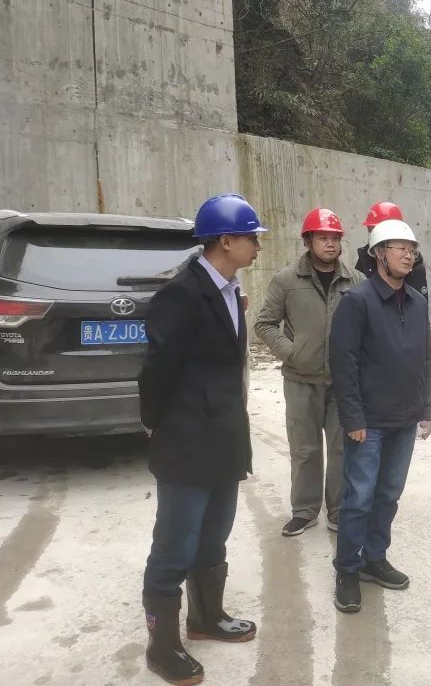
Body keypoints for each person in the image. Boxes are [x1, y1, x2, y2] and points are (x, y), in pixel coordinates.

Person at [139, 193, 265, 686]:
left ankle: (206, 618)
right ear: (225, 241)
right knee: (175, 544)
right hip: (187, 441)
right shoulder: (183, 294)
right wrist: (154, 422)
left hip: (224, 436)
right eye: (251, 237)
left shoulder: (230, 290)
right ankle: (162, 647)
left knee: (214, 536)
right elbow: (157, 368)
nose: (257, 245)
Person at [329, 218, 431, 613]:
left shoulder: (418, 301)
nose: (408, 255)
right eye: (399, 248)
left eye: (412, 249)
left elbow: (425, 357)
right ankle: (347, 569)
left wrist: (425, 406)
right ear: (378, 254)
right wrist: (353, 418)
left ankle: (374, 559)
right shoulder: (357, 302)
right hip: (368, 422)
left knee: (389, 494)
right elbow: (344, 364)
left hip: (404, 419)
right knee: (359, 498)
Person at [255, 208, 365, 538]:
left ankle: (339, 510)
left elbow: (369, 328)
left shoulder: (356, 281)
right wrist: (291, 352)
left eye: (335, 238)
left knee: (342, 449)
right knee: (305, 450)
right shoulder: (287, 280)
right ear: (308, 241)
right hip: (300, 380)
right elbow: (264, 323)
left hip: (343, 383)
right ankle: (304, 511)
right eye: (322, 238)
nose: (330, 244)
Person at [355, 201, 429, 301]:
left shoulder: (412, 265)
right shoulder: (365, 258)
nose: (374, 234)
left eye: (377, 229)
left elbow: (416, 305)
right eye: (370, 229)